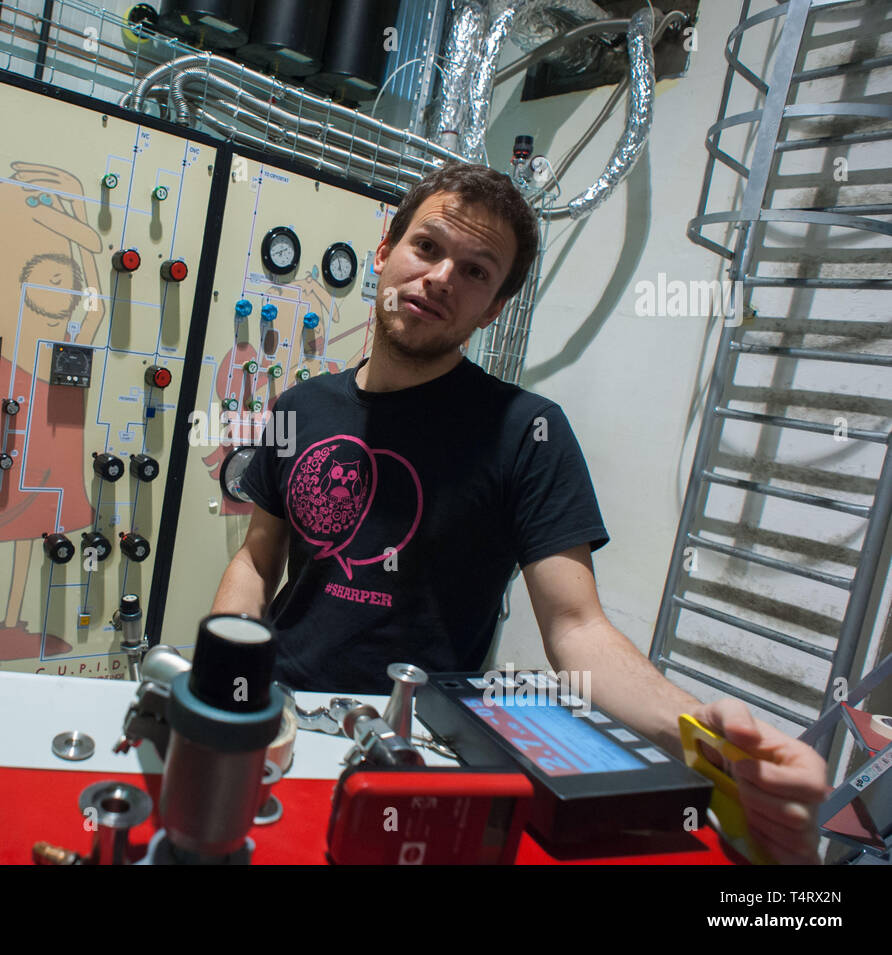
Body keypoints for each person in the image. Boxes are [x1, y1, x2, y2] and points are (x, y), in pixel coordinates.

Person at [210, 161, 828, 864]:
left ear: (493, 307)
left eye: (477, 271)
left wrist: (694, 732)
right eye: (429, 247)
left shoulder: (526, 432)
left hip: (427, 749)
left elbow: (578, 627)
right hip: (283, 718)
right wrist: (224, 677)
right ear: (385, 251)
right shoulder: (300, 408)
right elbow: (258, 559)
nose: (443, 276)